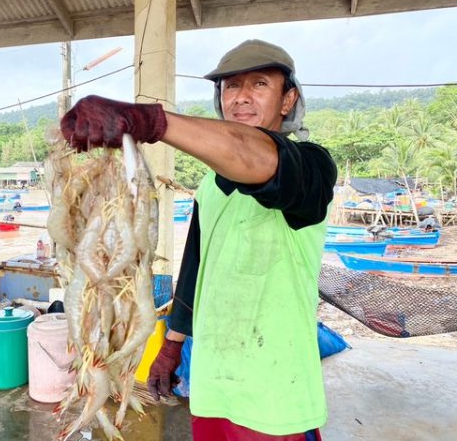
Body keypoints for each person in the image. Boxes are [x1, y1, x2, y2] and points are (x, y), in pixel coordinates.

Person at [60, 39, 337, 441]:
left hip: (274, 395)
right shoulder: (210, 185)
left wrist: (152, 122)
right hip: (210, 385)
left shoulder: (312, 167)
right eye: (230, 86)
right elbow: (195, 270)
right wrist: (172, 345)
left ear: (287, 100)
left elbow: (256, 156)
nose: (240, 97)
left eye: (259, 84)